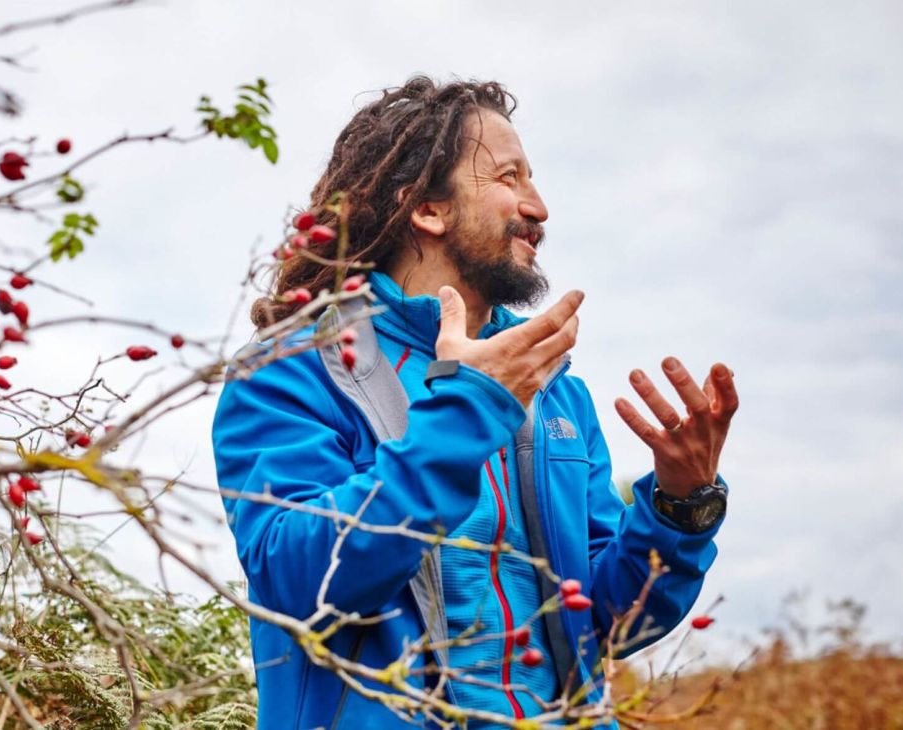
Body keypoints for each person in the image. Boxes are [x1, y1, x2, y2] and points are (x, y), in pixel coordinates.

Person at [211, 76, 739, 729]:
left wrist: (680, 508)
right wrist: (468, 414)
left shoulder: (555, 395)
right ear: (430, 210)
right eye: (509, 178)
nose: (539, 206)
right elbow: (298, 579)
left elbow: (606, 622)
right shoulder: (296, 368)